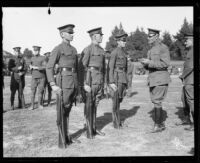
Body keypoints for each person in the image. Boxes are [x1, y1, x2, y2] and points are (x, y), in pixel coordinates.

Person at [46, 24, 79, 148]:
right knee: (62, 111)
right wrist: (53, 84)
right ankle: (62, 140)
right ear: (62, 34)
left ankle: (67, 136)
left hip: (73, 82)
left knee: (68, 110)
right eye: (69, 33)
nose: (72, 35)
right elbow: (49, 67)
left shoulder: (74, 50)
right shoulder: (58, 49)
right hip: (63, 83)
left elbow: (77, 69)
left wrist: (78, 85)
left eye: (72, 33)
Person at [139, 28, 171, 133]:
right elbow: (150, 66)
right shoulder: (150, 50)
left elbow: (165, 64)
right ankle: (160, 124)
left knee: (157, 102)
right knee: (156, 102)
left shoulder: (163, 48)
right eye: (148, 35)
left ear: (157, 36)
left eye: (150, 35)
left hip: (160, 79)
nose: (148, 37)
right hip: (153, 80)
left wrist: (150, 62)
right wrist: (145, 64)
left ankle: (157, 125)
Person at [81, 27, 106, 139]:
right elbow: (82, 68)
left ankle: (94, 128)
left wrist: (104, 82)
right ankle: (89, 130)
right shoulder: (87, 49)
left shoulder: (102, 50)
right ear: (94, 36)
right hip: (90, 81)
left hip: (99, 80)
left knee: (95, 105)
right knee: (89, 105)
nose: (102, 37)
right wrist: (84, 84)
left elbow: (104, 68)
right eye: (100, 35)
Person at [108, 32, 128, 129]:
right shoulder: (114, 52)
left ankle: (118, 121)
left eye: (125, 40)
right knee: (115, 101)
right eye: (123, 41)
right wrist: (111, 82)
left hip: (122, 78)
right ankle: (116, 123)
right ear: (118, 41)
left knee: (119, 100)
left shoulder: (123, 52)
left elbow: (126, 68)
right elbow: (110, 68)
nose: (125, 42)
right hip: (116, 79)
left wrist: (127, 83)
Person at [178, 33, 194, 131]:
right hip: (188, 80)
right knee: (184, 99)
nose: (185, 42)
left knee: (191, 101)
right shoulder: (190, 51)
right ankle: (187, 119)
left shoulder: (192, 52)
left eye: (187, 40)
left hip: (190, 80)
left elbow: (191, 67)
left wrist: (182, 76)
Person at [28, 46, 47, 110]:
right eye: (34, 51)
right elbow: (30, 66)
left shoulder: (43, 58)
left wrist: (36, 68)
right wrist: (30, 67)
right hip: (34, 78)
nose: (35, 52)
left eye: (37, 51)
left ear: (39, 51)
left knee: (40, 92)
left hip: (41, 78)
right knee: (32, 92)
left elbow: (45, 67)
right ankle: (32, 106)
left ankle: (39, 105)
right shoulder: (32, 58)